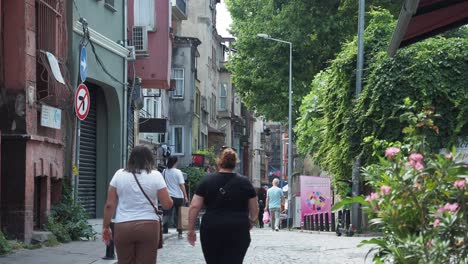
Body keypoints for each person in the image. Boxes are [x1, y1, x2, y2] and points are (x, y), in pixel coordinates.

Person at [102, 144, 173, 264]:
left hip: (123, 226)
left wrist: (105, 227)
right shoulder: (156, 175)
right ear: (150, 159)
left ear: (131, 158)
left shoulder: (119, 174)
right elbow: (167, 204)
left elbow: (109, 205)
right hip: (149, 226)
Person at [186, 148, 259, 264]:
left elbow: (194, 206)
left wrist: (190, 230)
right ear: (235, 163)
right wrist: (251, 221)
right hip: (238, 228)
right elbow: (255, 209)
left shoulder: (207, 181)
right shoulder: (245, 182)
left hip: (212, 228)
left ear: (219, 162)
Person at [162, 155, 188, 238]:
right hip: (178, 197)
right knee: (179, 215)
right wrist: (185, 196)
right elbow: (181, 185)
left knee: (167, 214)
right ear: (175, 162)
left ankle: (160, 227)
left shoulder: (164, 171)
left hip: (168, 196)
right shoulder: (178, 172)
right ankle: (180, 233)